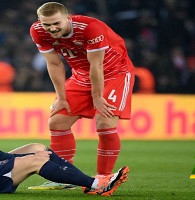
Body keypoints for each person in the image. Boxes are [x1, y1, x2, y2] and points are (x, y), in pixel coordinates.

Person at [0, 81, 129, 196]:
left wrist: (34, 154)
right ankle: (97, 185)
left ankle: (88, 183)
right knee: (37, 159)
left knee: (38, 147)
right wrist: (31, 160)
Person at [29, 2, 135, 191]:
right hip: (81, 75)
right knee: (57, 122)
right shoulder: (37, 31)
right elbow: (54, 64)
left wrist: (97, 98)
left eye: (56, 23)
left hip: (115, 72)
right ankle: (63, 177)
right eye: (47, 24)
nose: (52, 28)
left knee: (104, 122)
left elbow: (97, 66)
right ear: (40, 22)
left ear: (67, 18)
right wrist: (61, 97)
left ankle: (104, 178)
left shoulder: (90, 28)